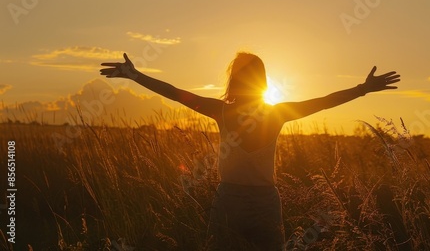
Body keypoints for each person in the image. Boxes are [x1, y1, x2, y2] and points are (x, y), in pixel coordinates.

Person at [100, 52, 400, 250]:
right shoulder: (278, 113)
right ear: (262, 81)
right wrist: (362, 88)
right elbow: (324, 101)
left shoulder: (221, 110)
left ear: (234, 79)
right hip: (265, 202)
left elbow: (177, 94)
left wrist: (136, 76)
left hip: (229, 199)